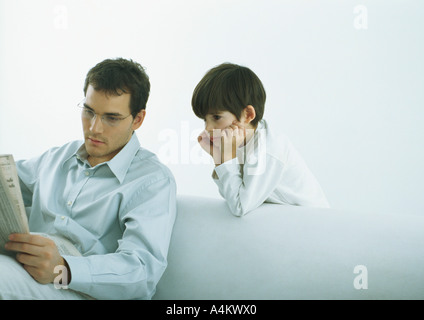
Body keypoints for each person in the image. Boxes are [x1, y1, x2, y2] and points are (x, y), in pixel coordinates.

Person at [0, 58, 177, 300]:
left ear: (138, 119)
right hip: (26, 270)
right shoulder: (57, 157)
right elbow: (6, 181)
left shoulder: (152, 181)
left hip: (76, 287)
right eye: (89, 111)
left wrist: (63, 269)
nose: (94, 128)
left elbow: (142, 272)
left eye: (111, 118)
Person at [192, 62, 330, 217]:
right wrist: (218, 156)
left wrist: (225, 158)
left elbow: (239, 206)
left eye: (216, 117)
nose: (208, 128)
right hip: (284, 220)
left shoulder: (268, 150)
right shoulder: (241, 141)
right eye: (205, 120)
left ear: (248, 115)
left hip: (313, 223)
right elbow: (232, 195)